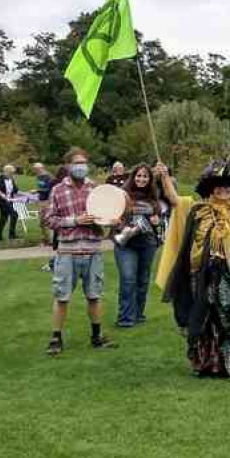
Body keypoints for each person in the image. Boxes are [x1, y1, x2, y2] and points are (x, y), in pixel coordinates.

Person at [154, 158, 230, 378]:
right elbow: (174, 200)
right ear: (211, 189)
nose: (222, 190)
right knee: (201, 317)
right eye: (218, 186)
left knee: (225, 318)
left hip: (229, 275)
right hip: (199, 274)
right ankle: (202, 364)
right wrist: (164, 176)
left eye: (227, 186)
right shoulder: (197, 210)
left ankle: (225, 364)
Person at [44, 147, 116, 356]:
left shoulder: (95, 189)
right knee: (62, 296)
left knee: (94, 295)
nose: (80, 167)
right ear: (67, 166)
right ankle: (56, 338)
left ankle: (97, 336)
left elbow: (105, 218)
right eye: (76, 163)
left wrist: (111, 221)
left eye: (83, 163)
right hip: (67, 252)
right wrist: (74, 220)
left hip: (93, 250)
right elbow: (48, 219)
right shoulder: (57, 190)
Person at [113, 163, 162, 328]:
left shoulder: (153, 197)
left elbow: (158, 219)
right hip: (126, 243)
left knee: (143, 280)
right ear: (133, 177)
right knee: (128, 279)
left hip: (147, 244)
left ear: (150, 179)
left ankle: (138, 314)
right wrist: (120, 226)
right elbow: (113, 218)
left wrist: (157, 221)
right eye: (139, 175)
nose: (141, 179)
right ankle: (125, 318)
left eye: (145, 176)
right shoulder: (123, 195)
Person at [0, 164, 20, 241]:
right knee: (14, 215)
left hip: (8, 200)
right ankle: (12, 235)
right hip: (1, 200)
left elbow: (16, 191)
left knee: (4, 217)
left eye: (13, 173)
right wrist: (2, 195)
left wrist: (27, 193)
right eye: (11, 172)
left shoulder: (11, 179)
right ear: (7, 172)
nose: (13, 174)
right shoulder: (0, 178)